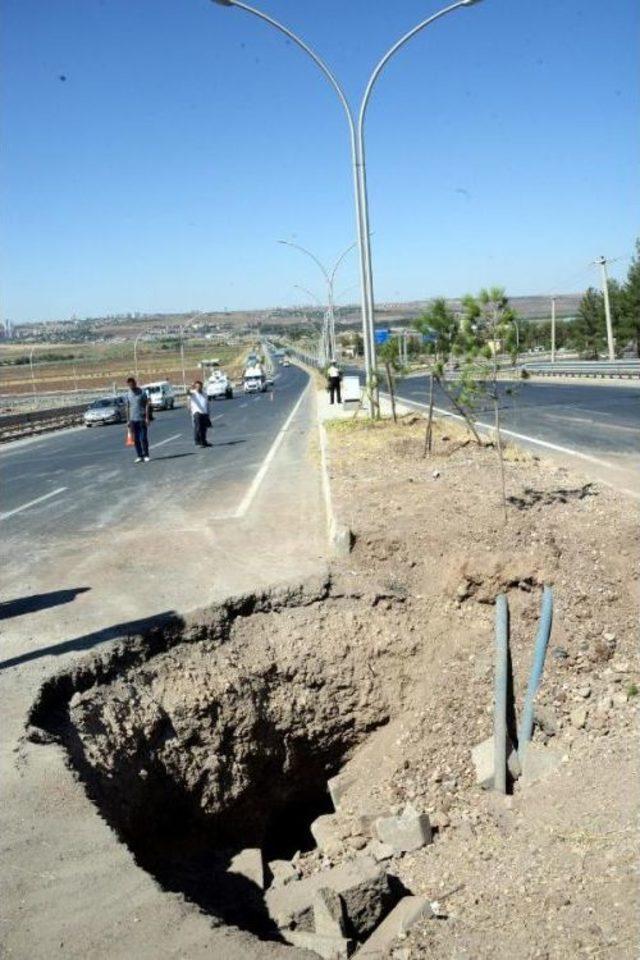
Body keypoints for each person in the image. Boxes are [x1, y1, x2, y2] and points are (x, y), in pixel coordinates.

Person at [125, 376, 150, 463]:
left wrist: (147, 417)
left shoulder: (142, 392)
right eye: (129, 385)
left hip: (142, 419)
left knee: (143, 438)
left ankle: (146, 455)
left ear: (135, 383)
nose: (131, 386)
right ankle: (139, 455)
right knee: (135, 439)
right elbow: (127, 407)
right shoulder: (128, 394)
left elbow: (147, 404)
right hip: (133, 420)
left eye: (132, 384)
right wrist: (128, 420)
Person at [188, 380, 212, 447]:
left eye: (200, 386)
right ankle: (197, 442)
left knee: (204, 428)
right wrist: (190, 387)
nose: (198, 388)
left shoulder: (205, 394)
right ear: (195, 387)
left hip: (204, 413)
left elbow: (207, 404)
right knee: (198, 427)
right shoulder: (193, 393)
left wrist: (208, 414)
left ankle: (204, 441)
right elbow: (188, 393)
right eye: (197, 386)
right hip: (197, 413)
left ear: (202, 386)